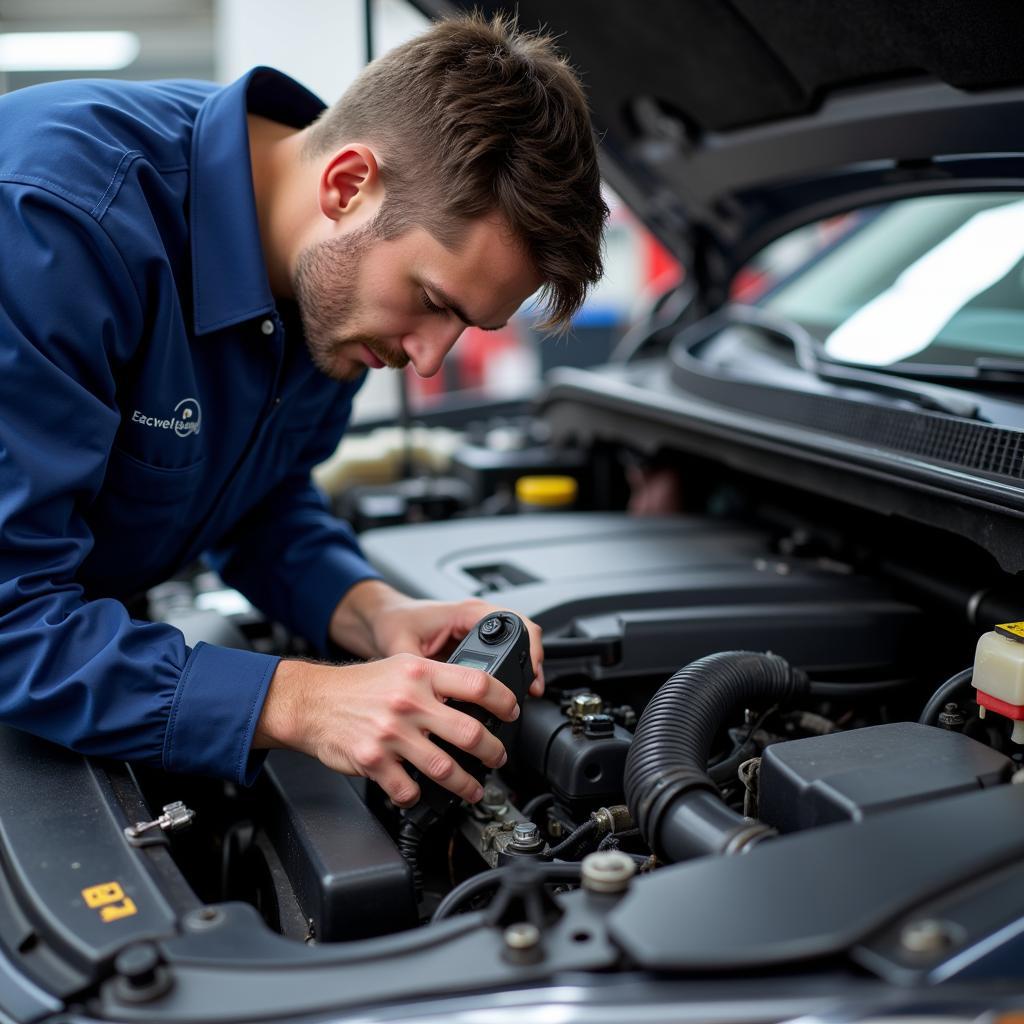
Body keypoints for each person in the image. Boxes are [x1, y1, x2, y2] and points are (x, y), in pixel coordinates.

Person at [0, 13, 606, 808]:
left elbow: (255, 502)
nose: (429, 357)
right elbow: (13, 617)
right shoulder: (53, 224)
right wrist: (296, 700)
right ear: (348, 185)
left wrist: (374, 612)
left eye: (465, 326)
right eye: (430, 300)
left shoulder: (332, 285)